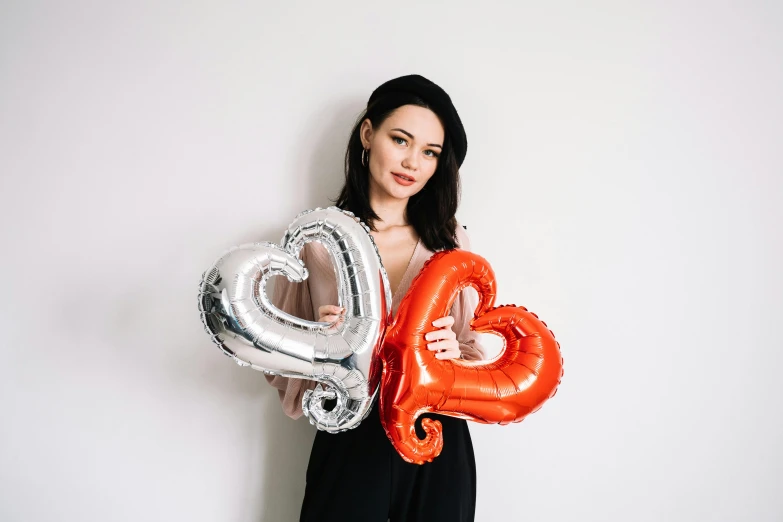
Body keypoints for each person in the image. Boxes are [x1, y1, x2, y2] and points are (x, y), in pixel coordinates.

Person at [265, 74, 486, 522]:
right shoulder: (319, 239)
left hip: (437, 430)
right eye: (400, 139)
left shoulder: (452, 244)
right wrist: (319, 346)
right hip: (350, 429)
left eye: (430, 152)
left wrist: (453, 354)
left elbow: (474, 352)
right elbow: (277, 358)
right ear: (368, 134)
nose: (412, 162)